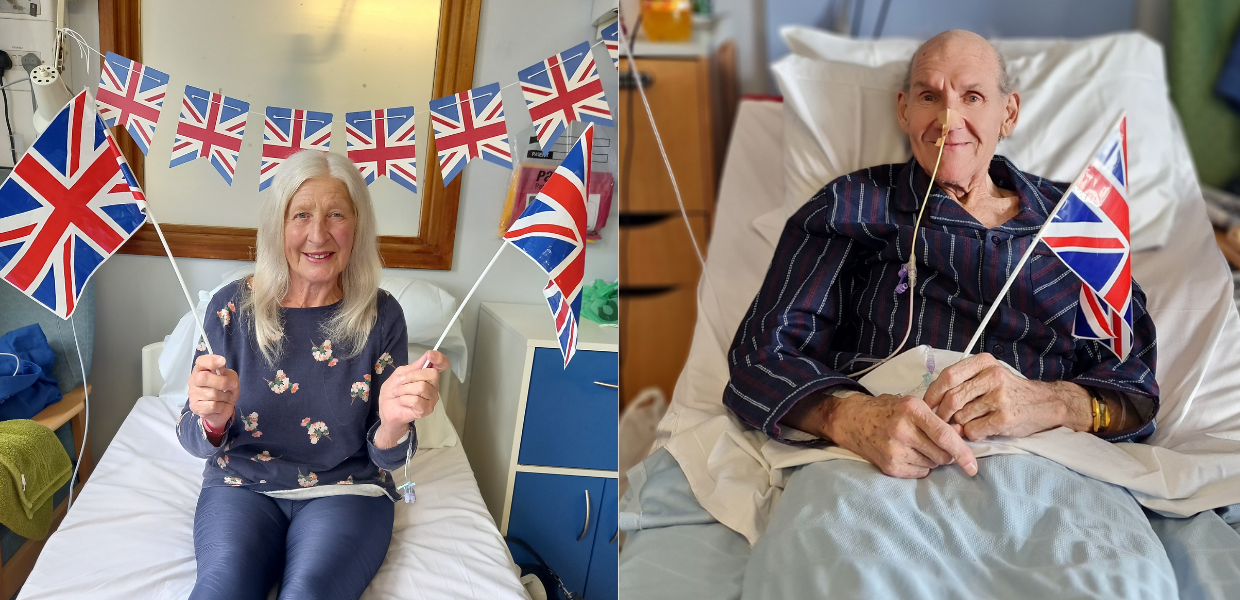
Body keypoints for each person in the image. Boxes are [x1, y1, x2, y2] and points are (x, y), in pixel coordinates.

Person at [724, 29, 1158, 479]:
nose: (949, 118)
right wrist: (850, 419)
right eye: (930, 96)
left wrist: (1051, 402)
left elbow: (1135, 388)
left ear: (1008, 114)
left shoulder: (1075, 221)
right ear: (904, 110)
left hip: (1047, 468)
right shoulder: (852, 205)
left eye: (972, 97)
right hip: (876, 470)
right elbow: (759, 358)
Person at [177, 149, 448, 600]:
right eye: (300, 214)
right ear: (277, 226)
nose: (317, 234)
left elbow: (389, 459)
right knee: (219, 590)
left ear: (356, 227)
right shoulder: (230, 309)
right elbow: (191, 439)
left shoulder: (381, 316)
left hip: (346, 489)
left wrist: (396, 422)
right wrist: (211, 420)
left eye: (335, 214)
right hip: (240, 486)